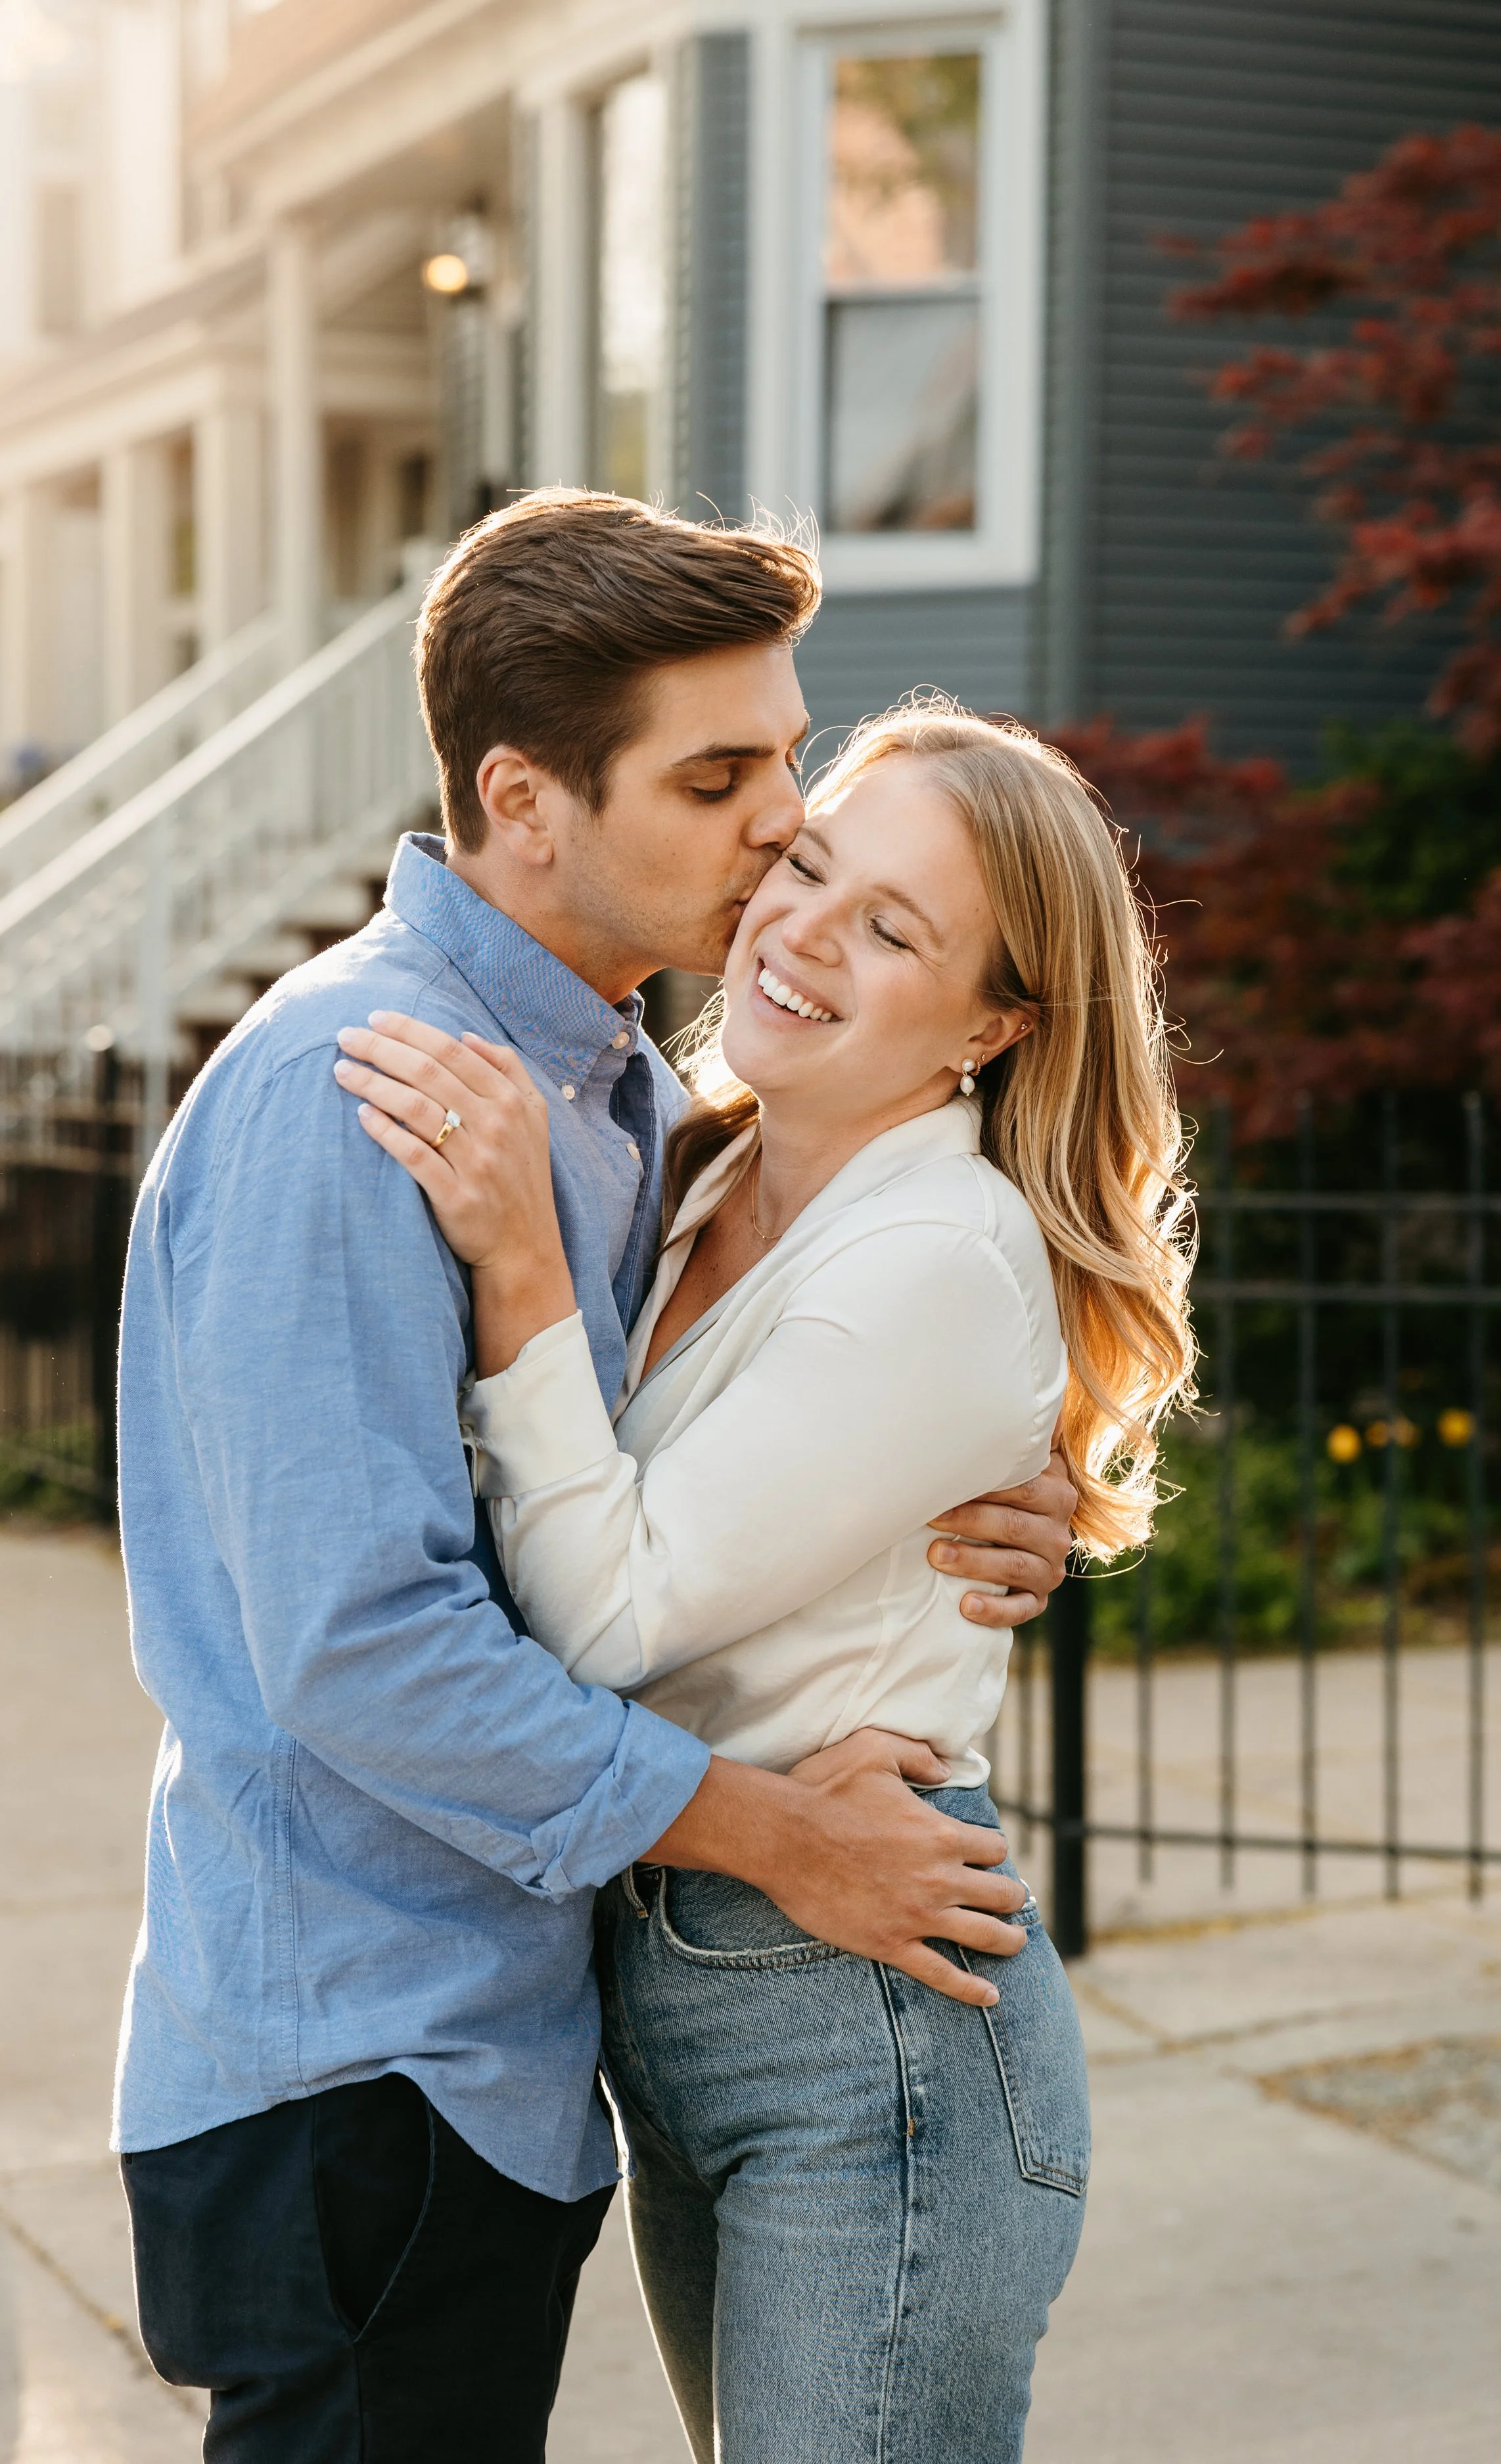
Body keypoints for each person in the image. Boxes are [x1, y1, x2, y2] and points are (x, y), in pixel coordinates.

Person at [113, 493, 1079, 2462]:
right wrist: (771, 1831)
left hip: (507, 2050)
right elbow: (360, 1649)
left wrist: (974, 1500)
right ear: (524, 800)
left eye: (785, 761)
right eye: (717, 776)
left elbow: (708, 1451)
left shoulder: (632, 1093)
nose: (777, 829)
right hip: (355, 2060)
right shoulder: (360, 1094)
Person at [336, 698, 1195, 2463]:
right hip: (679, 1981)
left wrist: (515, 1268)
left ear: (993, 1024)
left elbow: (601, 1616)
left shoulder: (934, 1256)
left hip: (863, 2021)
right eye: (809, 866)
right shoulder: (693, 1156)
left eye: (895, 931)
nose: (805, 930)